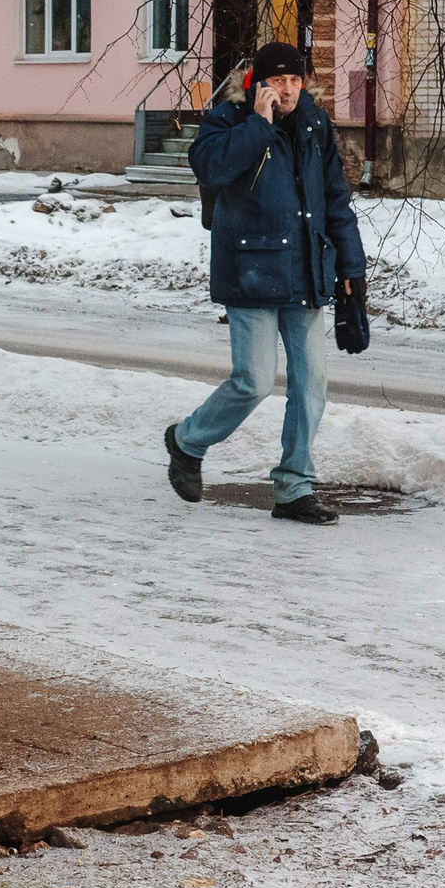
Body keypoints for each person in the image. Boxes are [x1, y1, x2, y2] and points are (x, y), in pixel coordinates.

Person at [162, 39, 370, 524]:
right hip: (250, 271)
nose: (289, 89)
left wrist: (351, 271)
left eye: (296, 80)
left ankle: (295, 487)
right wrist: (259, 123)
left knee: (311, 384)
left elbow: (336, 202)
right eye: (278, 80)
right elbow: (210, 167)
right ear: (257, 82)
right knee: (253, 381)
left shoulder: (315, 126)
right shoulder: (229, 121)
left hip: (306, 271)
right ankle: (188, 439)